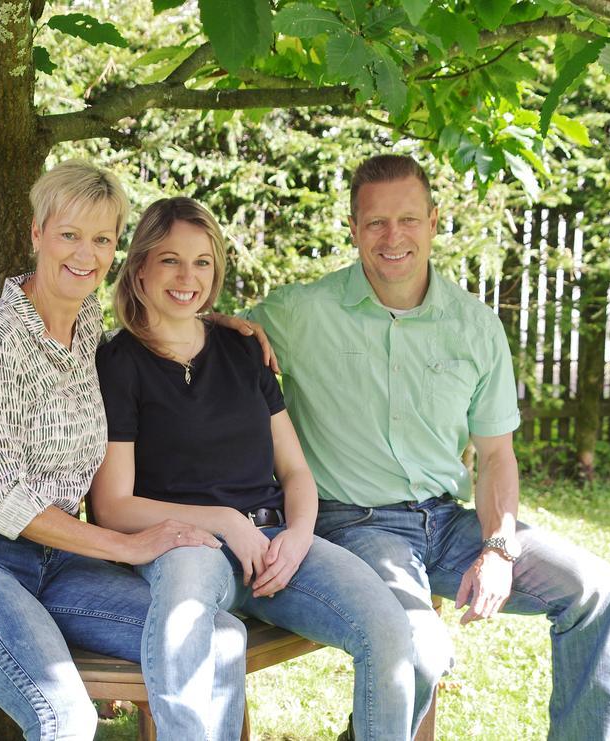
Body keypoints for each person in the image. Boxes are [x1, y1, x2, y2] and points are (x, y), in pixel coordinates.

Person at [245, 154, 610, 740]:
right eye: (375, 222)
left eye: (408, 219)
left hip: (448, 525)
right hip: (354, 525)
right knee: (420, 652)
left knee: (595, 591)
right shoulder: (300, 313)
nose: (392, 237)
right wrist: (230, 326)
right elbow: (198, 332)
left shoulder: (474, 326)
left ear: (433, 220)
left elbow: (497, 456)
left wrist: (499, 547)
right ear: (353, 228)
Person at [0, 159, 231, 741]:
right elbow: (2, 501)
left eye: (102, 239)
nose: (86, 254)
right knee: (66, 717)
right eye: (69, 235)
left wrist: (220, 327)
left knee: (217, 641)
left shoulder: (85, 323)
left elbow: (158, 322)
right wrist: (128, 546)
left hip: (53, 564)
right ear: (36, 234)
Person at [91, 197, 418, 741]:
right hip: (183, 546)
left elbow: (294, 471)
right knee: (184, 633)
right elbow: (113, 505)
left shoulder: (243, 349)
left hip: (273, 544)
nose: (186, 277)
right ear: (141, 265)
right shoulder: (118, 363)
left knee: (388, 631)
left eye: (202, 262)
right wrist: (222, 520)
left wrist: (298, 535)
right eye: (170, 260)